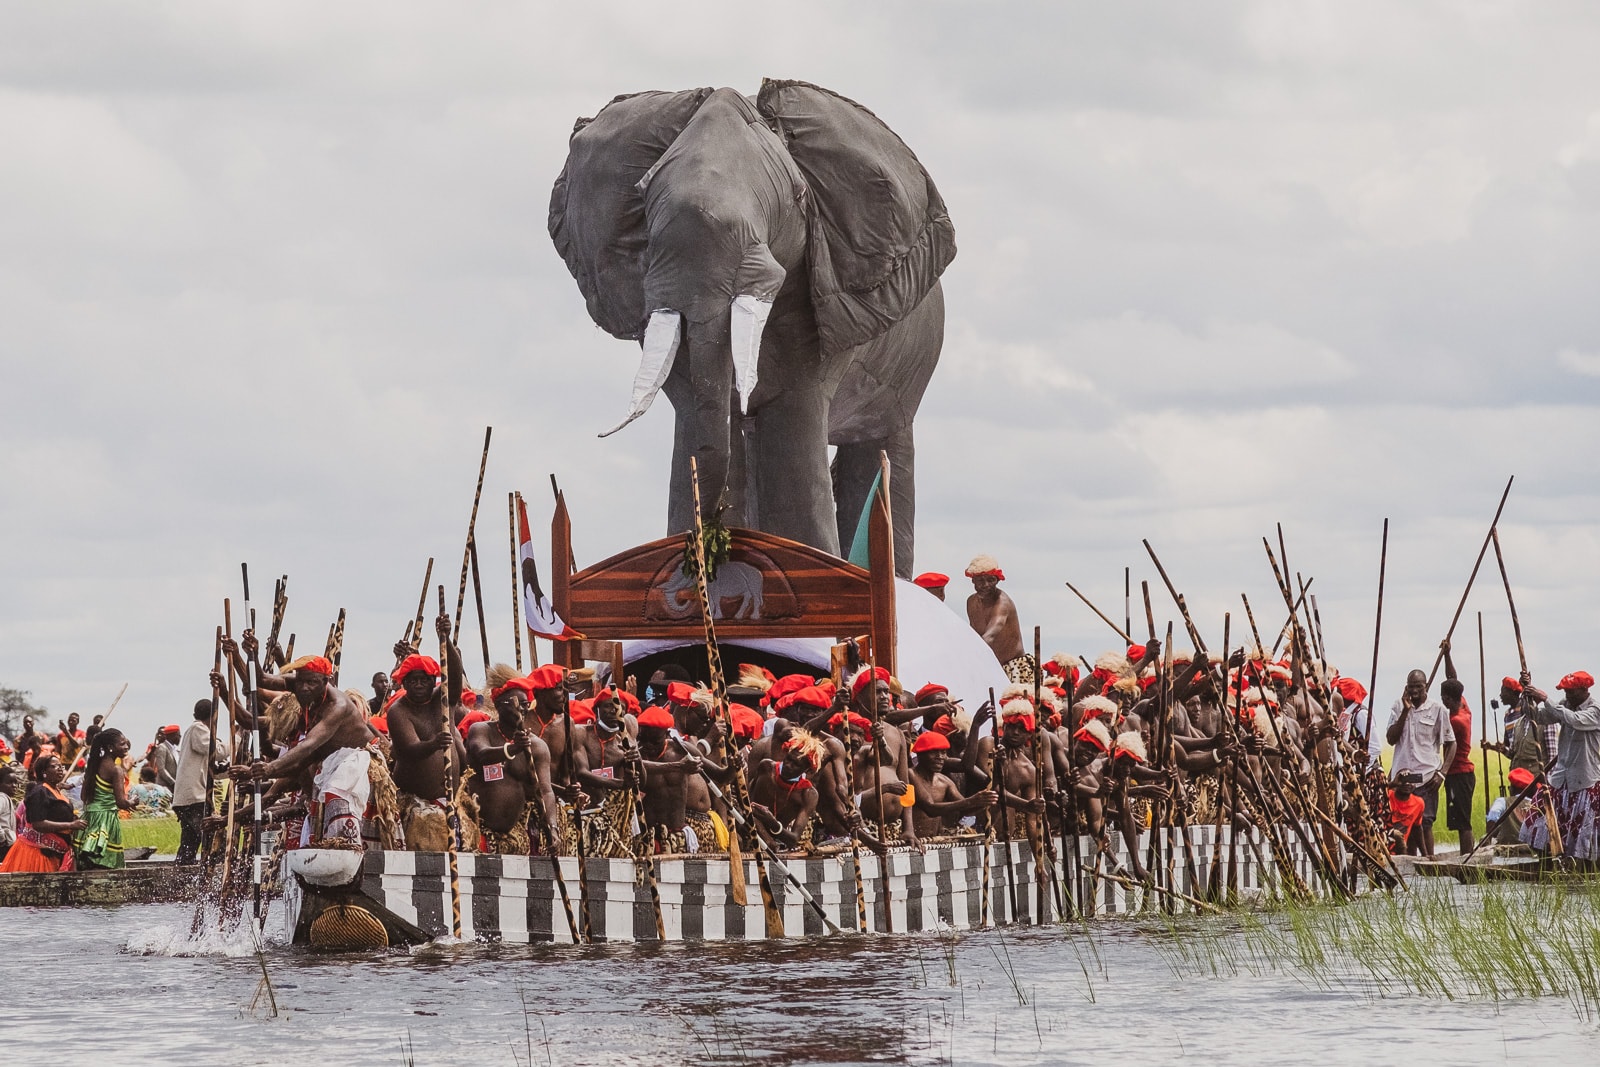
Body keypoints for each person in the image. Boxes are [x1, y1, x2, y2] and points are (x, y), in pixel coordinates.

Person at [233, 651, 374, 849]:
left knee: (335, 795)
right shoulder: (300, 686)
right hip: (327, 760)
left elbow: (308, 744)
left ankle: (345, 849)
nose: (304, 688)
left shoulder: (337, 706)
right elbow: (260, 680)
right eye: (300, 682)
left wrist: (270, 768)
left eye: (311, 683)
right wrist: (251, 653)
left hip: (355, 763)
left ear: (326, 681)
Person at [465, 672, 563, 855]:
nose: (521, 710)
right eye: (514, 704)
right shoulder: (481, 730)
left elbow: (546, 791)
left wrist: (553, 827)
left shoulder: (537, 746)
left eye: (525, 705)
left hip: (515, 835)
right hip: (475, 830)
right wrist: (513, 748)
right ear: (498, 705)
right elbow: (482, 754)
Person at [1519, 670, 1600, 865]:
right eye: (1565, 692)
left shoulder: (1595, 710)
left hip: (1584, 780)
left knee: (1583, 831)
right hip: (1561, 778)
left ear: (1584, 690)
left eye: (1571, 691)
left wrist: (1545, 699)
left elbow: (1574, 720)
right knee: (1538, 819)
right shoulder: (1565, 704)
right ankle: (1548, 861)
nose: (1567, 695)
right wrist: (1527, 694)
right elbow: (1537, 716)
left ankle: (1581, 865)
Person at [1385, 661, 1456, 859]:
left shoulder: (1438, 710)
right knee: (1400, 826)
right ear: (1406, 688)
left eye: (1419, 687)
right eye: (1411, 687)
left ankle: (1427, 864)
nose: (1414, 691)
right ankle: (1407, 863)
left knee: (1424, 824)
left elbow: (1451, 743)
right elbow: (1391, 739)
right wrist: (1405, 711)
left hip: (1426, 777)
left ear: (1426, 687)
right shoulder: (1398, 706)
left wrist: (1442, 773)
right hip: (1401, 779)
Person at [0, 753, 85, 873]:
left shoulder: (55, 790)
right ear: (43, 772)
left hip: (55, 852)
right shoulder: (40, 791)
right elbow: (38, 824)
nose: (59, 769)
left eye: (61, 766)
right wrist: (70, 825)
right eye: (54, 766)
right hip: (37, 855)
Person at [77, 728, 137, 870]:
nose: (126, 747)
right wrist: (133, 801)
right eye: (122, 744)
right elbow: (121, 803)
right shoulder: (116, 770)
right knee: (107, 864)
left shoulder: (93, 765)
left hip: (89, 818)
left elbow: (83, 797)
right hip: (106, 821)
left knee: (89, 865)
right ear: (110, 747)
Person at [173, 699, 223, 865]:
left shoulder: (192, 731)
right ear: (213, 716)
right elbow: (216, 751)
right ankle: (218, 867)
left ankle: (182, 872)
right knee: (211, 837)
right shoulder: (198, 729)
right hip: (194, 798)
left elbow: (210, 766)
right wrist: (237, 739)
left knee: (190, 842)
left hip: (188, 798)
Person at [965, 555, 1030, 682]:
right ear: (973, 581)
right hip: (990, 665)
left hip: (1014, 668)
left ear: (998, 580)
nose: (985, 585)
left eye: (991, 580)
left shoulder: (1002, 603)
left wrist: (967, 655)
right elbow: (974, 635)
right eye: (980, 580)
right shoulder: (971, 602)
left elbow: (990, 635)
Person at [1440, 675, 1476, 855]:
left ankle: (1466, 858)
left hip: (1458, 774)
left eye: (1443, 697)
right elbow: (1452, 676)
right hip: (1463, 774)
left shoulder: (1455, 722)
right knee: (1463, 819)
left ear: (1447, 698)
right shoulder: (1464, 708)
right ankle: (1467, 854)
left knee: (1463, 822)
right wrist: (1447, 658)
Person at [1387, 771, 1426, 854]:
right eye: (1403, 780)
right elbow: (1375, 791)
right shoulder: (1387, 796)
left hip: (1401, 847)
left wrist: (1425, 854)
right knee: (1396, 834)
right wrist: (1392, 784)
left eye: (1410, 780)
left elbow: (1417, 829)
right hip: (1385, 842)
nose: (1407, 784)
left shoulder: (1419, 803)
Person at [148, 725, 181, 790]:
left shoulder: (176, 750)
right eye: (178, 735)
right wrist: (173, 782)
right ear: (172, 736)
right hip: (164, 787)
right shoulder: (162, 748)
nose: (180, 737)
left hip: (174, 787)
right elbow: (161, 769)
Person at [0, 762, 19, 863]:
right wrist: (2, 837)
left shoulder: (7, 798)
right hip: (3, 845)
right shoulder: (2, 798)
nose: (14, 786)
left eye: (16, 783)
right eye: (9, 783)